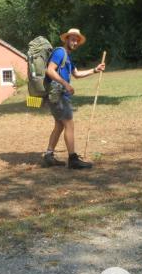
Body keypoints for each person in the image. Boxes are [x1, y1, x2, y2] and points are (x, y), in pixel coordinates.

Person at [43, 28, 105, 169]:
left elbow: (76, 74)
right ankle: (73, 159)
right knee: (69, 124)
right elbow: (50, 70)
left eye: (77, 40)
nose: (75, 42)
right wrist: (65, 84)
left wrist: (95, 70)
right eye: (72, 39)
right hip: (58, 94)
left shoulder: (68, 57)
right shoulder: (60, 52)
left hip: (58, 94)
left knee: (59, 125)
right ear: (66, 39)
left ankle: (48, 155)